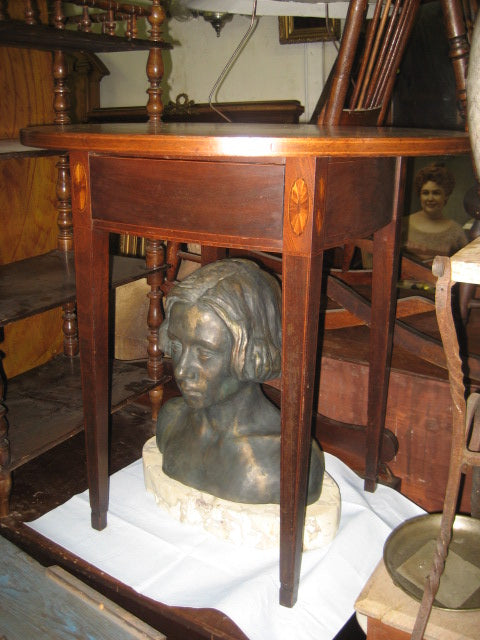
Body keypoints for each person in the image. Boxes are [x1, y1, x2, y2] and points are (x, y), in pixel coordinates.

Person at [156, 258, 324, 505]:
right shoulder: (170, 420)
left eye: (204, 353)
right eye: (178, 346)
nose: (181, 370)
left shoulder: (289, 460)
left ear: (252, 352)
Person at [402, 163, 467, 263]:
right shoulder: (403, 224)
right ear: (419, 195)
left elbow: (464, 266)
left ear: (446, 196)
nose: (430, 198)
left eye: (436, 193)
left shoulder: (456, 232)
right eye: (425, 193)